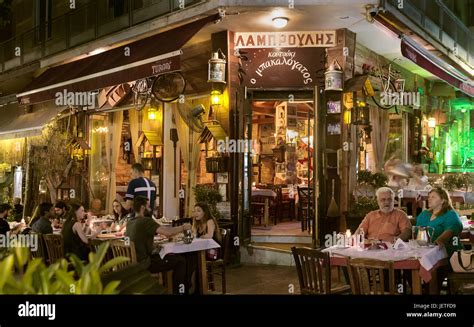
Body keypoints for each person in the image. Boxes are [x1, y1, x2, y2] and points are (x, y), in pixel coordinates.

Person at [125, 196, 189, 294]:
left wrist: (153, 245)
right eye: (148, 206)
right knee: (181, 261)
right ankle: (180, 293)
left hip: (133, 263)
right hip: (144, 264)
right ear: (143, 207)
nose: (150, 208)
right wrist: (183, 227)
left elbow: (138, 240)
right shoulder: (146, 221)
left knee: (170, 257)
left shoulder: (130, 222)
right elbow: (168, 232)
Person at [415, 187, 463, 256]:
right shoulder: (424, 214)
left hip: (448, 254)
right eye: (429, 197)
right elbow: (416, 231)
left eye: (433, 197)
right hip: (424, 251)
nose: (429, 199)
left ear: (442, 200)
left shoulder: (451, 214)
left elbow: (447, 235)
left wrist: (436, 243)